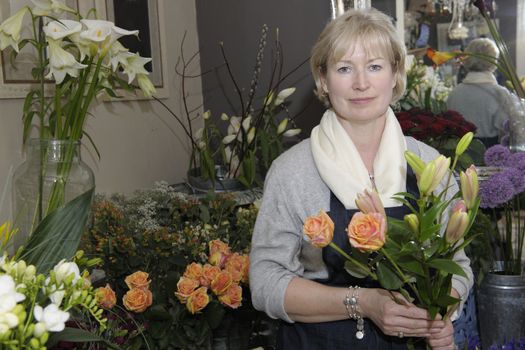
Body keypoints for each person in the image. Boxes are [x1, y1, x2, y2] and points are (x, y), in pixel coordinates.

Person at [249, 7, 472, 350]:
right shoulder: (292, 171)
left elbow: (458, 267)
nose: (361, 83)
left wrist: (437, 313)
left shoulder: (430, 165)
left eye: (374, 66)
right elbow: (265, 283)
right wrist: (365, 302)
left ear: (396, 75)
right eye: (344, 69)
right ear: (323, 80)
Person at [447, 37, 513, 148]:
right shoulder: (500, 94)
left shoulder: (454, 93)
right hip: (492, 157)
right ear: (494, 61)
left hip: (459, 157)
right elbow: (507, 132)